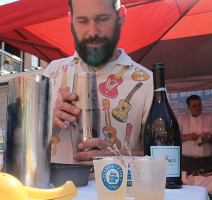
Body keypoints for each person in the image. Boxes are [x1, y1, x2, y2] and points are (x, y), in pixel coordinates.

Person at [43, 0, 153, 166]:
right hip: (54, 192)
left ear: (120, 16)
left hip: (117, 192)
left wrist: (118, 158)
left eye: (102, 19)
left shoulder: (147, 82)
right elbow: (14, 140)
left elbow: (165, 157)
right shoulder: (51, 72)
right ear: (70, 21)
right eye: (82, 21)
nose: (92, 32)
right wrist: (43, 121)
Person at [178, 95, 212, 175]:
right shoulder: (182, 119)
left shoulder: (210, 118)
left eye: (199, 105)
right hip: (187, 161)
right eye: (194, 106)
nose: (197, 108)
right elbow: (175, 138)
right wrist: (189, 136)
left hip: (206, 160)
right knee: (187, 183)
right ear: (188, 107)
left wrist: (209, 139)